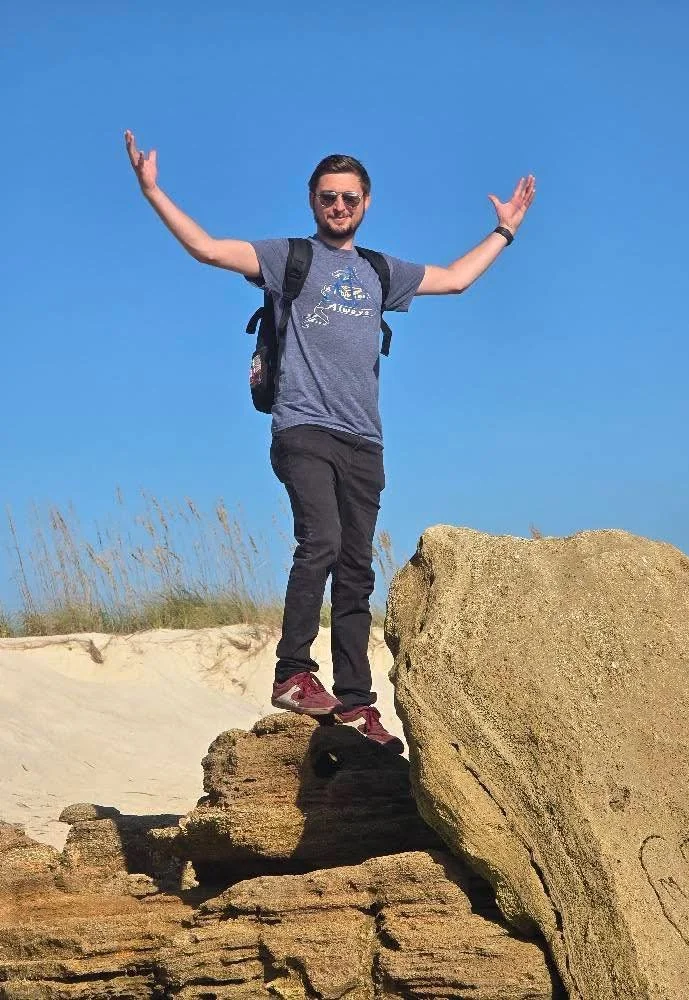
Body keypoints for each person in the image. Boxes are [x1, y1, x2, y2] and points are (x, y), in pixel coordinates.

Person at [124, 132, 536, 753]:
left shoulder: (378, 271)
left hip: (364, 440)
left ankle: (356, 703)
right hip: (302, 427)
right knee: (319, 539)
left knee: (355, 569)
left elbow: (454, 280)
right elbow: (207, 249)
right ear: (313, 201)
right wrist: (153, 191)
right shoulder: (287, 257)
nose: (338, 205)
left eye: (349, 197)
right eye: (327, 196)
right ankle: (293, 672)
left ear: (365, 202)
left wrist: (504, 232)